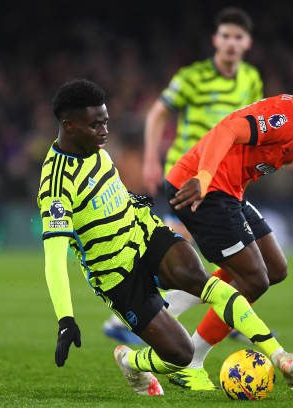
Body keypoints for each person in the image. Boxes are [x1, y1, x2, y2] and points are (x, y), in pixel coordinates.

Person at [38, 79, 293, 396]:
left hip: (146, 235)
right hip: (116, 275)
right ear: (69, 126)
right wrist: (65, 320)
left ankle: (280, 356)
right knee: (180, 354)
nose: (104, 131)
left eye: (106, 122)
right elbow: (55, 258)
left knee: (207, 282)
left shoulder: (98, 152)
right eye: (95, 125)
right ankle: (131, 360)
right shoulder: (55, 186)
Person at [162, 77, 293, 390]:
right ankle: (191, 361)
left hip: (230, 191)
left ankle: (168, 306)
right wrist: (203, 178)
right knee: (254, 279)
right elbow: (227, 130)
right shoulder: (287, 118)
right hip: (202, 188)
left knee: (274, 268)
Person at [103, 6, 264, 347]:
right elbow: (158, 113)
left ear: (247, 42)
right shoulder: (193, 76)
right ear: (215, 40)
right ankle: (143, 315)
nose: (231, 43)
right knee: (200, 252)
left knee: (212, 254)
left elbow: (252, 130)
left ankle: (224, 316)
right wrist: (150, 159)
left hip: (225, 183)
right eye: (226, 36)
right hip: (189, 177)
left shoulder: (250, 79)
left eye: (238, 37)